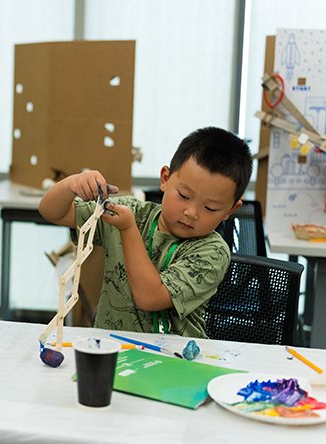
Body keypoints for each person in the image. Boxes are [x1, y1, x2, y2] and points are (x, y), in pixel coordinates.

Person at [39, 127, 252, 338]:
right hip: (110, 349)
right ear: (165, 179)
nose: (191, 213)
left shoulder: (213, 252)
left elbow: (150, 298)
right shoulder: (134, 213)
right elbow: (52, 212)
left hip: (174, 359)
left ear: (231, 210)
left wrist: (128, 229)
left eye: (210, 208)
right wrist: (71, 185)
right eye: (184, 195)